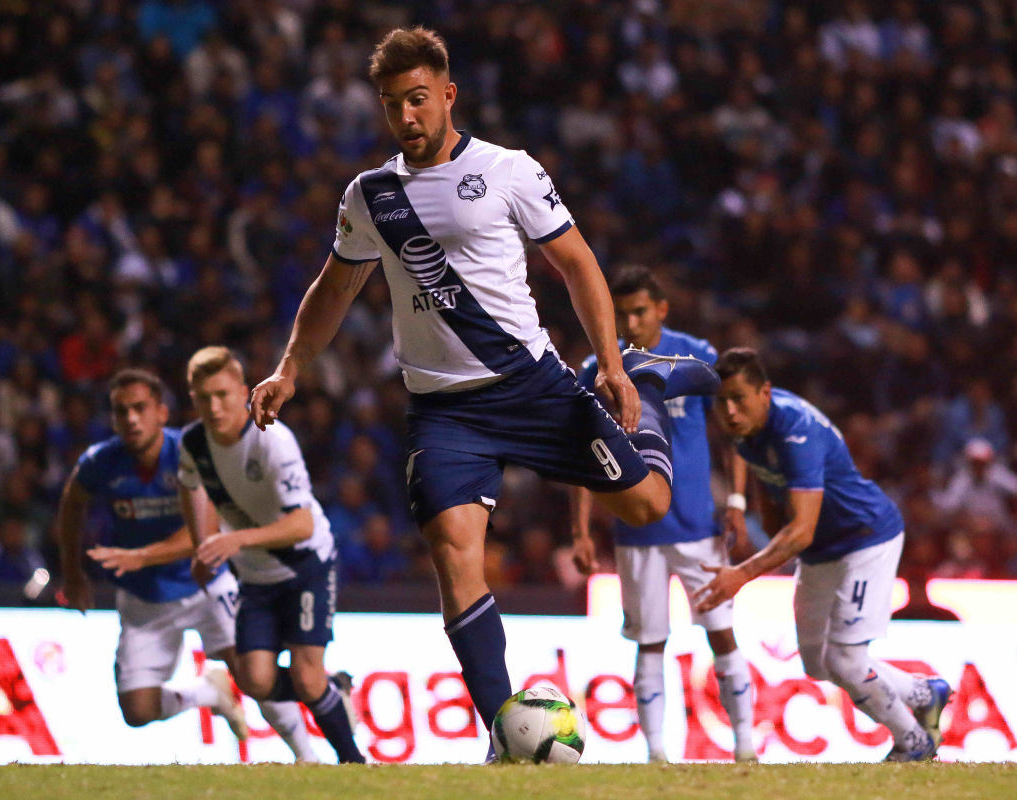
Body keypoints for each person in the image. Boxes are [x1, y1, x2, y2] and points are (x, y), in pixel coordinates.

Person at [248, 26, 719, 757]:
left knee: (649, 504)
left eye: (417, 99)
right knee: (453, 551)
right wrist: (289, 368)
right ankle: (506, 727)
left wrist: (614, 367)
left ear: (448, 95)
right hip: (445, 410)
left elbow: (578, 265)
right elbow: (334, 287)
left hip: (533, 386)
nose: (406, 116)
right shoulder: (370, 195)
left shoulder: (508, 170)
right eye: (391, 104)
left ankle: (652, 392)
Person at [694, 348, 950, 761]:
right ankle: (924, 693)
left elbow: (801, 530)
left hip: (864, 539)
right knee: (818, 663)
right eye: (721, 402)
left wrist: (741, 573)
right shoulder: (748, 429)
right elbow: (769, 487)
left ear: (764, 392)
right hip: (821, 550)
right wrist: (755, 516)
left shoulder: (795, 430)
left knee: (846, 661)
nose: (730, 411)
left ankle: (914, 743)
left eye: (738, 398)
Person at [57, 368, 320, 762]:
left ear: (162, 413)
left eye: (140, 408)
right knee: (137, 710)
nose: (131, 418)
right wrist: (72, 573)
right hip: (144, 598)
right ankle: (207, 693)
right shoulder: (100, 462)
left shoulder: (192, 452)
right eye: (121, 411)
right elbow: (71, 504)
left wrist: (141, 556)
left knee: (253, 676)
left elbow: (206, 531)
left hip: (207, 585)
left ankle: (307, 756)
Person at [570, 266, 755, 763]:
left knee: (722, 634)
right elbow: (582, 452)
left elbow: (733, 430)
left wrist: (737, 502)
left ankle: (746, 747)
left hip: (698, 526)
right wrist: (580, 529)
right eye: (622, 313)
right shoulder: (599, 368)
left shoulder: (696, 357)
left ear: (662, 309)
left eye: (639, 311)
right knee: (649, 642)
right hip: (636, 529)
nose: (631, 322)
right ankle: (656, 755)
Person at [177, 347, 364, 764]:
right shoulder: (193, 443)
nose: (214, 406)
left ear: (242, 392)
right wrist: (202, 544)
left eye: (222, 395)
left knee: (306, 677)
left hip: (305, 566)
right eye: (204, 398)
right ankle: (333, 689)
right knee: (255, 681)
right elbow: (190, 486)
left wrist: (236, 540)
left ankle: (353, 762)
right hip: (256, 576)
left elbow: (303, 525)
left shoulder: (272, 440)